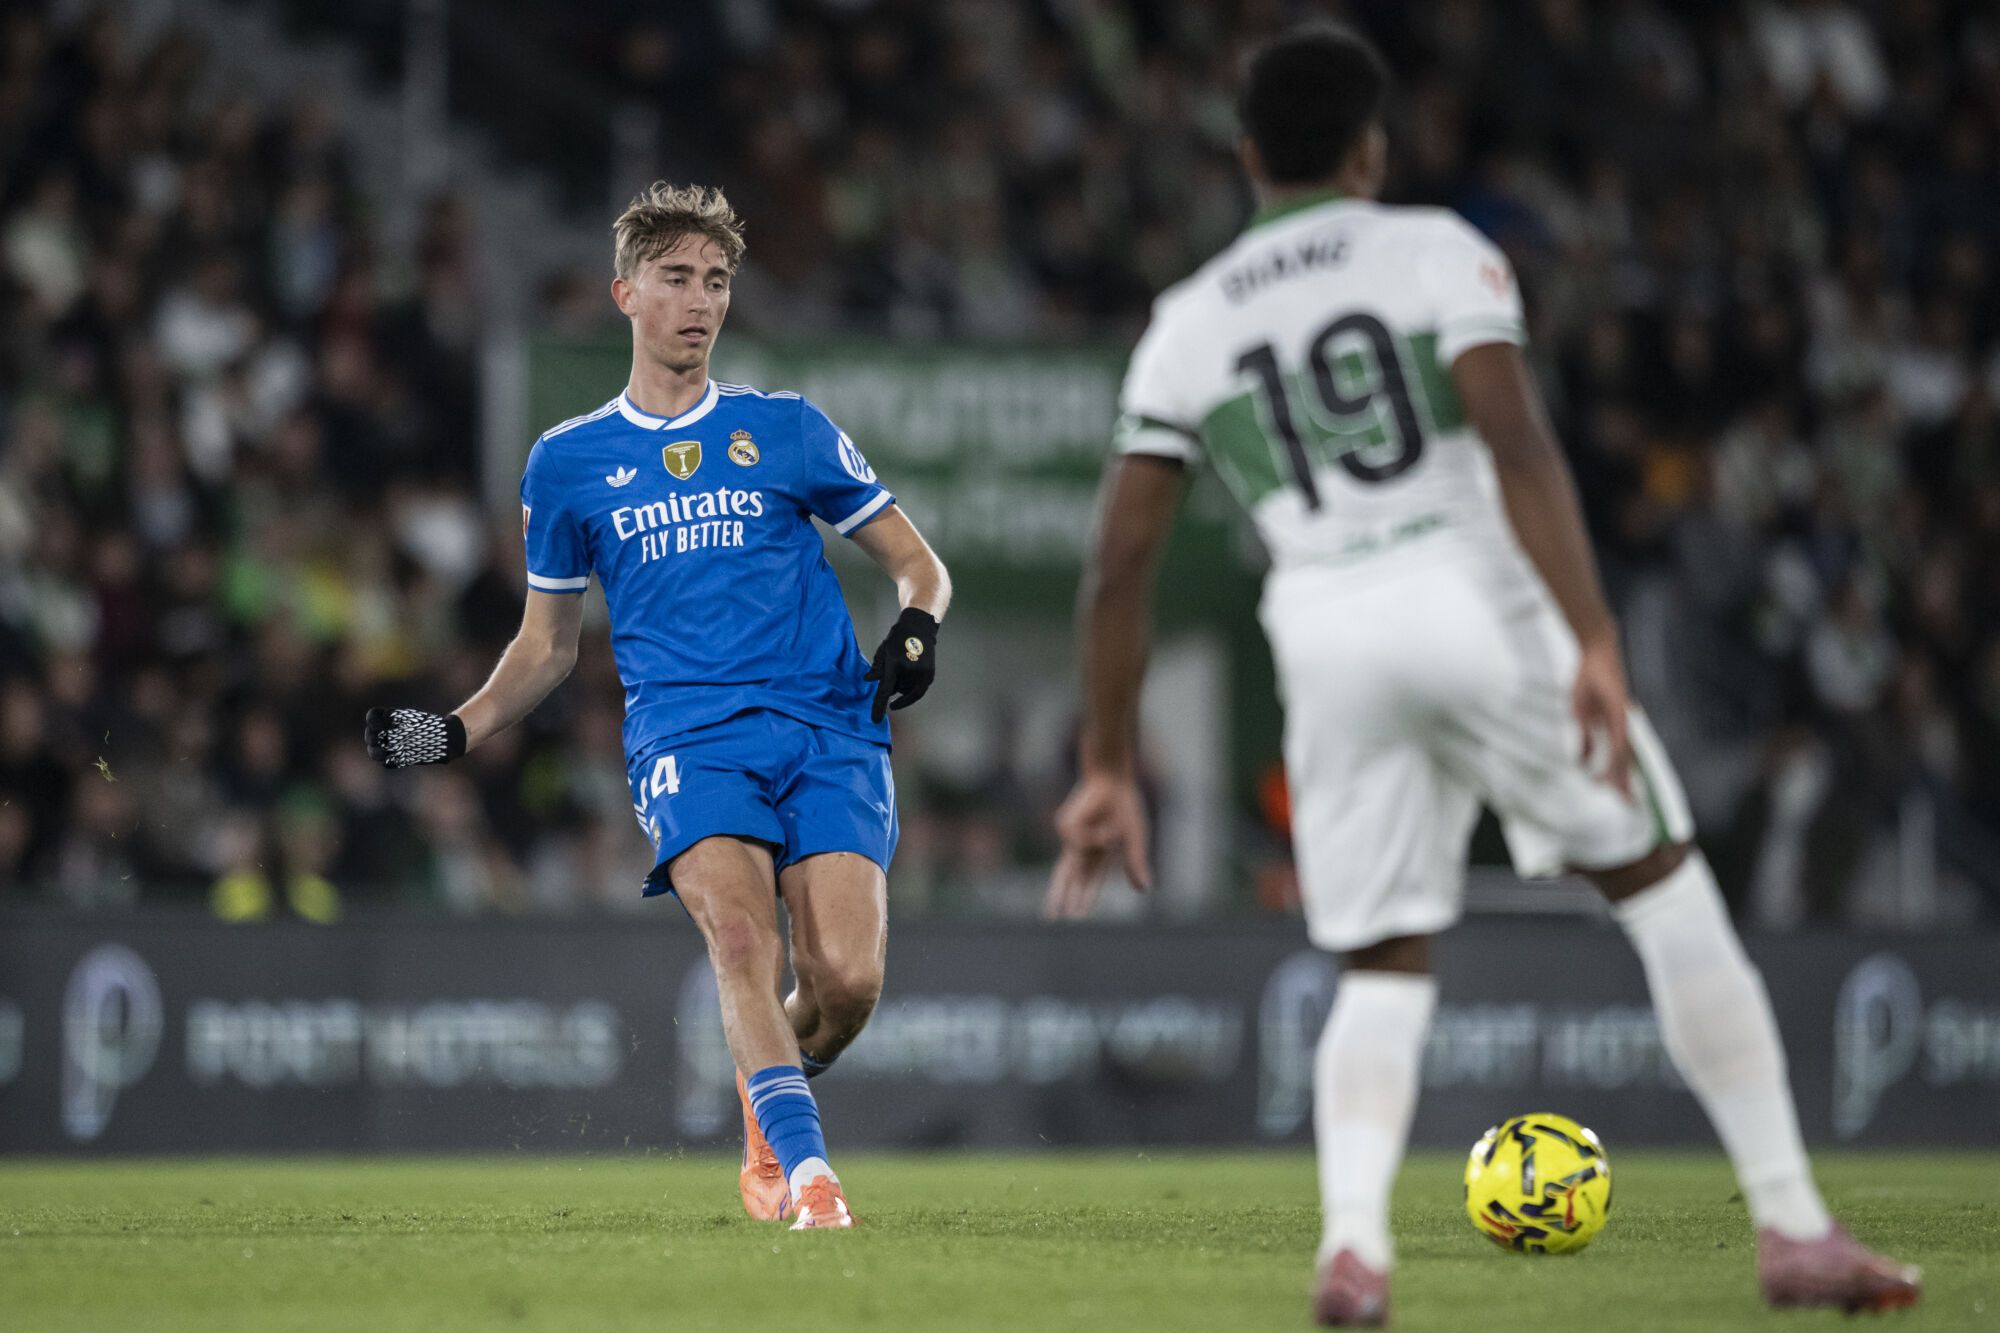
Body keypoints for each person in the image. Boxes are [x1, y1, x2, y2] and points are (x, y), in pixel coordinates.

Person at [1045, 27, 1919, 1325]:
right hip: (1475, 599)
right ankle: (1792, 1225)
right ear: (1369, 150)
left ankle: (1354, 1249)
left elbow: (1118, 566)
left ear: (1244, 155)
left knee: (1382, 959)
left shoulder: (1188, 322)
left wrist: (1107, 763)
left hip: (1324, 630)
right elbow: (1513, 440)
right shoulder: (1435, 251)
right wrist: (1595, 638)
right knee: (1663, 888)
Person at [365, 182, 950, 1231]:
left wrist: (915, 626)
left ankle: (767, 1091)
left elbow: (921, 566)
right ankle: (810, 1178)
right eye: (676, 277)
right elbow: (546, 646)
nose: (700, 300)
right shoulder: (568, 463)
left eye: (716, 280)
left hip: (829, 723)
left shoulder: (786, 428)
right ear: (624, 293)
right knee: (741, 943)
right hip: (688, 737)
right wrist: (458, 727)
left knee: (847, 982)